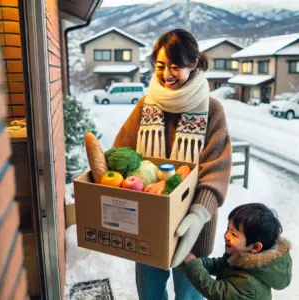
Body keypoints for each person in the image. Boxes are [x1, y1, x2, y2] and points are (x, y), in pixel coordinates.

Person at [113, 28, 232, 300]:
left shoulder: (211, 110)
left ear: (194, 64)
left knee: (189, 294)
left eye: (176, 66)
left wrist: (199, 213)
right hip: (149, 220)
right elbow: (121, 151)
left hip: (192, 224)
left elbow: (217, 168)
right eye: (160, 65)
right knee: (149, 291)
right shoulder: (146, 105)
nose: (166, 74)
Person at [183, 203, 292, 300]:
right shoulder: (241, 256)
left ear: (255, 247)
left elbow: (217, 292)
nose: (226, 235)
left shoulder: (248, 283)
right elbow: (220, 265)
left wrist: (194, 267)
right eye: (228, 229)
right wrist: (200, 263)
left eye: (234, 234)